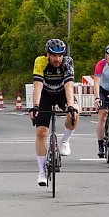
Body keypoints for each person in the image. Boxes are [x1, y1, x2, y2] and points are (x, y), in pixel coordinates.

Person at [29, 38, 78, 186]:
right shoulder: (40, 62)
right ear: (48, 55)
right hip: (45, 95)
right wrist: (36, 106)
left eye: (60, 55)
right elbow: (37, 86)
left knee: (75, 111)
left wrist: (70, 106)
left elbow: (69, 86)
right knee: (42, 132)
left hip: (62, 93)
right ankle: (41, 173)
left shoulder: (67, 62)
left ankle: (65, 141)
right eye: (54, 56)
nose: (57, 59)